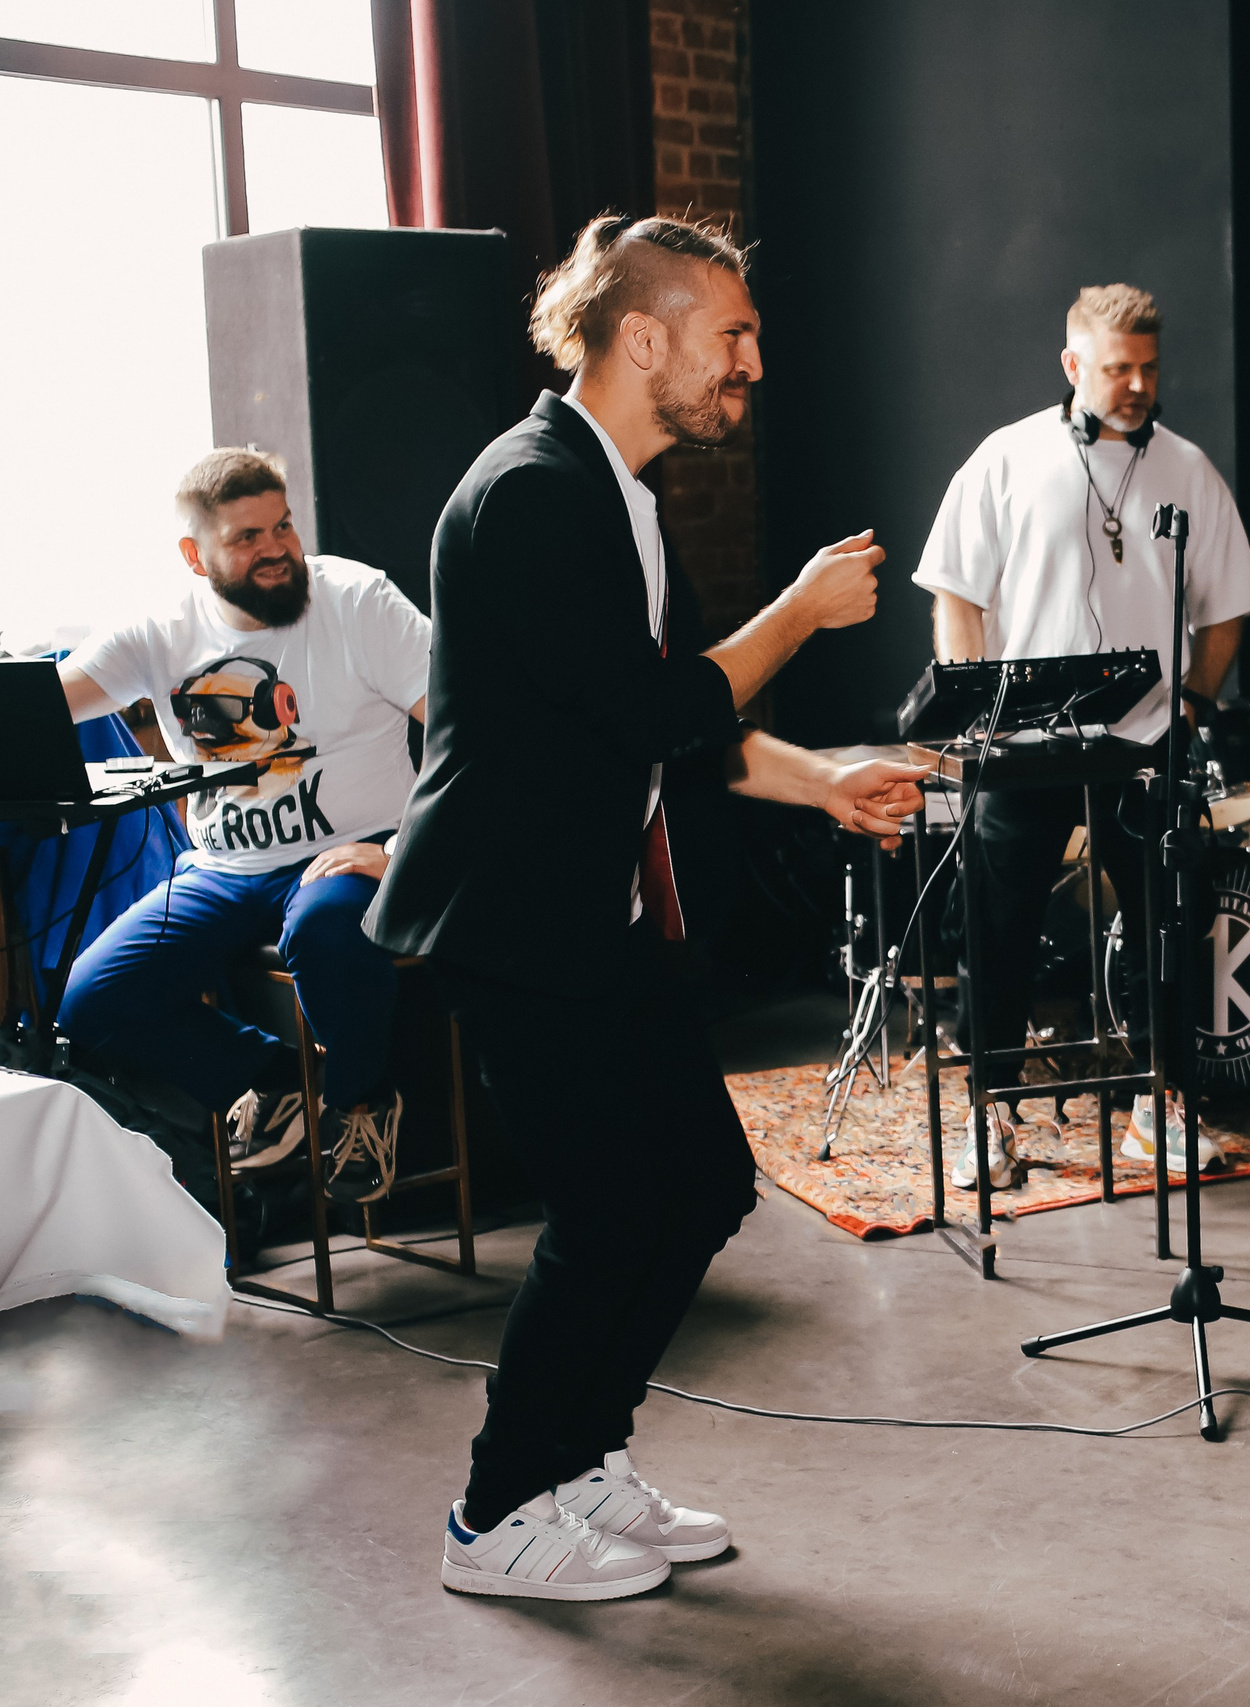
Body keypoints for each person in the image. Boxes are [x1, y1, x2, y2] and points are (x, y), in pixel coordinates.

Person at [367, 211, 929, 1602]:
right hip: (516, 922)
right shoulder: (534, 489)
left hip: (608, 919)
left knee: (698, 1185)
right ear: (644, 334)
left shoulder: (622, 492)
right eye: (731, 334)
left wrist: (826, 783)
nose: (751, 363)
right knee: (615, 1211)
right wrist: (798, 610)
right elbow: (656, 708)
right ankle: (497, 1511)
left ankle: (577, 1459)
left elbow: (679, 733)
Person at [913, 283, 1250, 1189]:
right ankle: (990, 1116)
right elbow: (957, 592)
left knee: (1165, 924)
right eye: (1119, 368)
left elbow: (1226, 609)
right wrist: (975, 711)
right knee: (996, 929)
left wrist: (1194, 697)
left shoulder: (1189, 468)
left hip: (1143, 741)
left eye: (1150, 366)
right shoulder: (1005, 458)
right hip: (1020, 745)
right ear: (1073, 365)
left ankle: (1161, 1108)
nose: (1139, 383)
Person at [57, 448, 424, 1202]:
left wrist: (404, 849)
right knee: (92, 998)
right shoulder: (160, 632)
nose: (277, 549)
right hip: (222, 871)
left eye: (282, 527)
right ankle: (276, 1079)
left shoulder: (357, 600)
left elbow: (472, 729)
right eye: (246, 538)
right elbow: (49, 702)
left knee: (326, 929)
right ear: (195, 556)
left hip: (350, 851)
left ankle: (359, 1103)